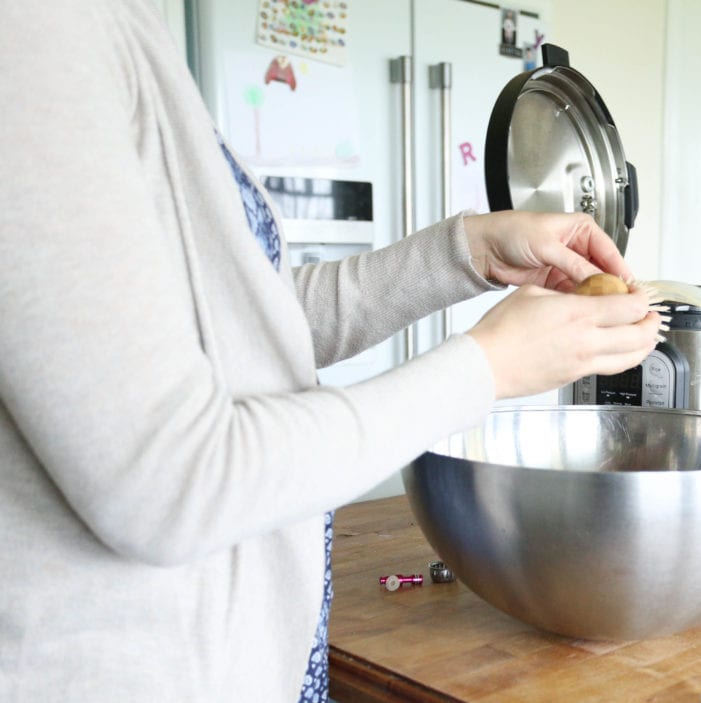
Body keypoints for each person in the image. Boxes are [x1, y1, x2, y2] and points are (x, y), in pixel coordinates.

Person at [0, 2, 660, 701]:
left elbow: (244, 327)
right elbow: (171, 479)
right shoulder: (33, 31)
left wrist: (463, 252)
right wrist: (487, 367)